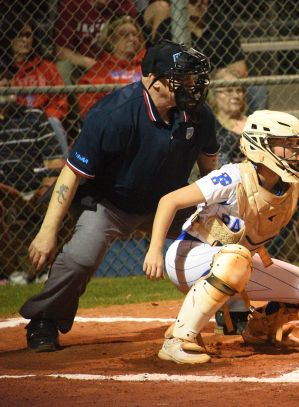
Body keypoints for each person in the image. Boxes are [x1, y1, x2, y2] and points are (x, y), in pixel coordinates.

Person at [20, 40, 219, 352]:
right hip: (112, 204)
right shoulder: (113, 114)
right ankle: (44, 320)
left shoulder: (198, 114)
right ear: (152, 80)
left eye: (193, 77)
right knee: (80, 259)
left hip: (171, 203)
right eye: (181, 77)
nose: (191, 85)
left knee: (227, 234)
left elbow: (210, 172)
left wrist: (217, 215)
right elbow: (72, 173)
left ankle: (236, 310)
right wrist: (47, 232)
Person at [142, 110, 299, 364]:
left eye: (297, 144)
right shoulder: (233, 177)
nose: (296, 152)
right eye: (288, 144)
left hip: (236, 265)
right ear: (261, 145)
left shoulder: (293, 181)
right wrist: (155, 249)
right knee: (236, 258)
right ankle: (177, 340)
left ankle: (259, 330)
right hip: (189, 256)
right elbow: (169, 201)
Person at [141, 0, 267, 112]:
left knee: (257, 90)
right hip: (183, 84)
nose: (200, 3)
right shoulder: (167, 27)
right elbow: (160, 68)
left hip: (219, 84)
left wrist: (219, 76)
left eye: (203, 0)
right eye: (193, 1)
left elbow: (240, 69)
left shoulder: (221, 25)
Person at [0, 74, 65, 284]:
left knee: (61, 197)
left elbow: (55, 163)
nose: (5, 84)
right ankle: (12, 273)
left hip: (37, 189)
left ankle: (46, 269)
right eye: (0, 80)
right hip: (5, 191)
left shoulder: (34, 116)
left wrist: (45, 190)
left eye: (8, 79)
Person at [1, 14, 70, 155]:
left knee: (53, 123)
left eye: (28, 35)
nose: (25, 40)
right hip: (12, 122)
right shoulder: (4, 72)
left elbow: (59, 101)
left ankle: (62, 166)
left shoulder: (46, 67)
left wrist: (42, 119)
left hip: (44, 122)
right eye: (18, 35)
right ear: (8, 38)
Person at [77, 16, 145, 118]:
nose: (132, 38)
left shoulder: (147, 64)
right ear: (111, 40)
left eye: (135, 34)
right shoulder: (99, 71)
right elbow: (89, 109)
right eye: (124, 34)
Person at [54, 0, 138, 83]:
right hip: (78, 63)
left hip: (109, 62)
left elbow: (130, 32)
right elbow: (61, 51)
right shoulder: (72, 4)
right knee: (63, 66)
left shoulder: (121, 4)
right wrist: (88, 62)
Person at [208, 67, 248, 166]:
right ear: (215, 95)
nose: (236, 95)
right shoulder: (209, 124)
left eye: (239, 90)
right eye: (229, 90)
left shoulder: (252, 123)